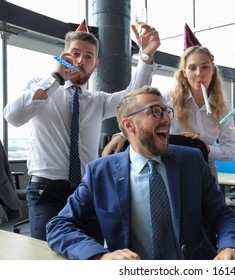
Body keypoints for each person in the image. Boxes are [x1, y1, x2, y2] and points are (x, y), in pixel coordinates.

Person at [46, 85, 235, 260]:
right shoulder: (100, 173)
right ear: (128, 125)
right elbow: (59, 226)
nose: (167, 119)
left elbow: (222, 213)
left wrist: (229, 245)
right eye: (156, 111)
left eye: (167, 111)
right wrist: (100, 256)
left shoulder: (191, 161)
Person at [3, 23, 160, 241]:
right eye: (75, 54)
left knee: (90, 254)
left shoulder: (97, 101)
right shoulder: (40, 87)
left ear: (95, 65)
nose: (80, 61)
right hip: (46, 191)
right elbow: (13, 116)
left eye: (88, 57)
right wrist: (56, 78)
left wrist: (145, 57)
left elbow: (134, 98)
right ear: (62, 56)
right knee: (45, 258)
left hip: (86, 191)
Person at [102, 45, 235, 181]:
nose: (199, 73)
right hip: (170, 167)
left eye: (205, 67)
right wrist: (121, 136)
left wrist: (205, 148)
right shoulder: (167, 99)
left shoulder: (223, 107)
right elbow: (141, 118)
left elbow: (230, 152)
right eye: (192, 68)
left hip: (206, 171)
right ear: (184, 72)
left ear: (213, 70)